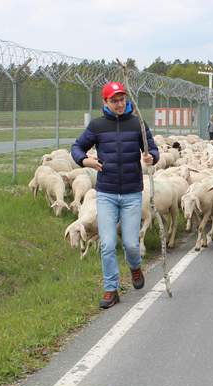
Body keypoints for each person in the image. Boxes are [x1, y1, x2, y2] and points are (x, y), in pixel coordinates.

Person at [71, 81, 159, 309]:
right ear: (106, 102)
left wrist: (152, 157)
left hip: (131, 193)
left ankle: (135, 266)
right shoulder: (98, 126)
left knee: (131, 244)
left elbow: (152, 147)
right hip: (106, 193)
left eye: (122, 99)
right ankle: (111, 289)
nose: (119, 104)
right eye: (114, 100)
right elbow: (77, 147)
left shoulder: (137, 123)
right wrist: (85, 160)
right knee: (107, 244)